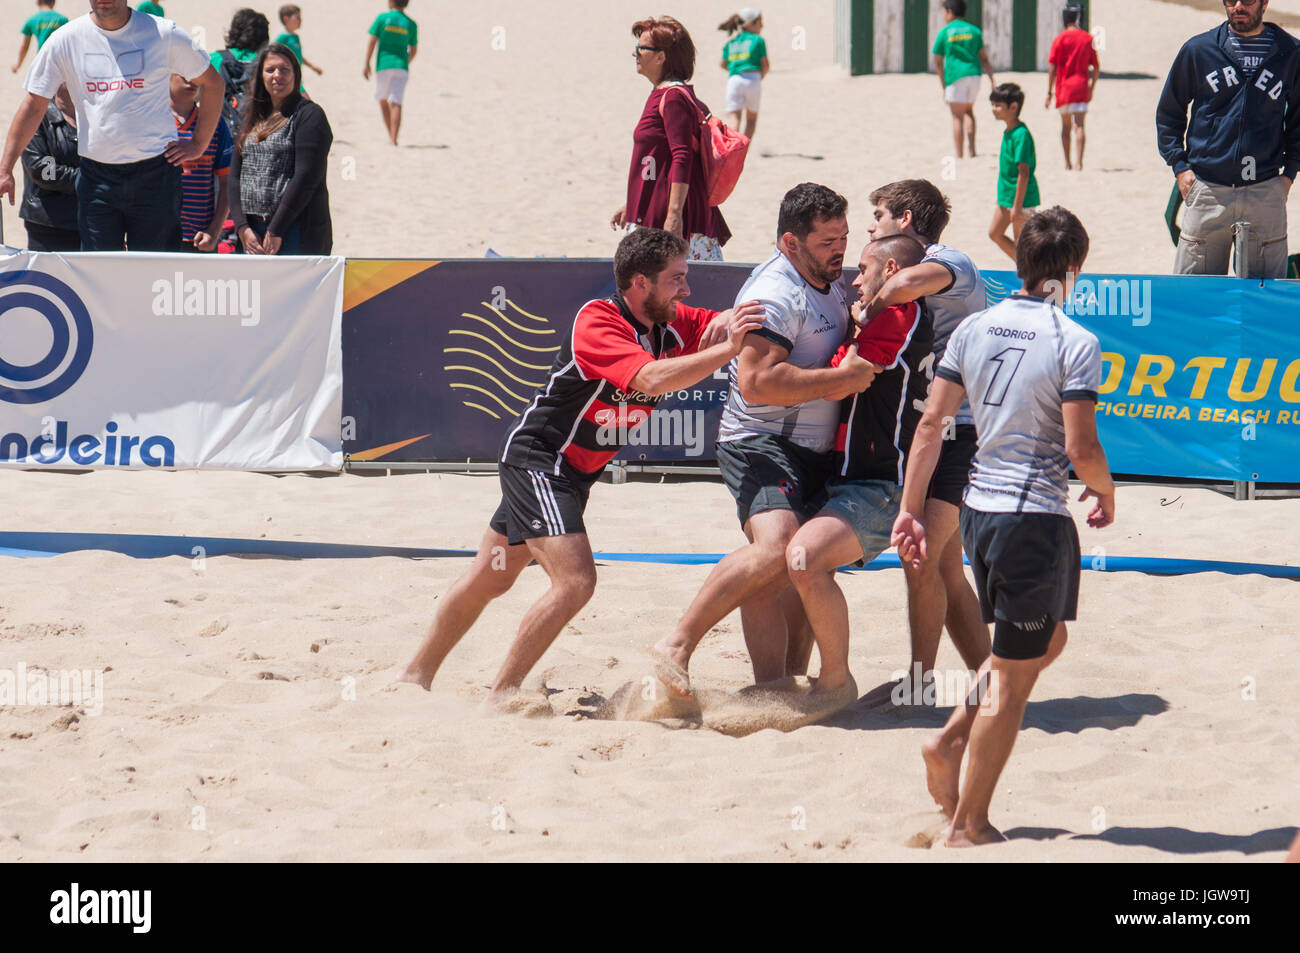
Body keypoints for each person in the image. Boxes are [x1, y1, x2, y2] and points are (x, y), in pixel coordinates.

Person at [397, 229, 766, 708]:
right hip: (541, 459)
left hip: (573, 473)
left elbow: (722, 322)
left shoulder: (669, 321)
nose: (687, 290)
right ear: (640, 283)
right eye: (676, 279)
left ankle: (413, 675)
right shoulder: (598, 320)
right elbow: (650, 379)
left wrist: (760, 315)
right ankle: (503, 692)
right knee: (576, 583)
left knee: (491, 576)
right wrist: (729, 349)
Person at [892, 206, 1116, 847]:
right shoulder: (1074, 341)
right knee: (1014, 683)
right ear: (1071, 271)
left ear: (1019, 263)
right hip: (1032, 519)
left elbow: (930, 427)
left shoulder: (974, 329)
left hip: (981, 513)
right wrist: (1107, 493)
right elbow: (1081, 450)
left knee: (1046, 643)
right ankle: (968, 825)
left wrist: (911, 509)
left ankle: (949, 737)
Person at [650, 183, 881, 694]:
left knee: (802, 569)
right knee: (776, 550)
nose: (839, 250)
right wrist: (842, 381)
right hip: (759, 441)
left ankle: (779, 687)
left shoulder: (826, 278)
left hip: (815, 452)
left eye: (843, 237)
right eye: (826, 241)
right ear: (789, 243)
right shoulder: (776, 294)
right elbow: (757, 385)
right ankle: (678, 644)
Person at [858, 180, 991, 704]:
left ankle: (919, 683)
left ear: (907, 219)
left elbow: (903, 284)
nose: (871, 225)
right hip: (928, 428)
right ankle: (991, 678)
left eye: (879, 214)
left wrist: (868, 306)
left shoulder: (948, 259)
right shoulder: (898, 263)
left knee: (922, 557)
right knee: (943, 566)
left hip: (963, 428)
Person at [784, 234, 932, 701]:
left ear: (891, 273)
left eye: (864, 268)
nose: (854, 279)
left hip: (881, 484)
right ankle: (794, 678)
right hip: (852, 476)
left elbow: (840, 381)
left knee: (804, 559)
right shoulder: (888, 316)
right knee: (788, 564)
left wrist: (849, 339)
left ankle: (835, 682)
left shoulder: (897, 314)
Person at [0, 0, 224, 252]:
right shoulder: (66, 38)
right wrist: (5, 167)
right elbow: (34, 105)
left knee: (156, 272)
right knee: (97, 273)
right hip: (96, 178)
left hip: (156, 175)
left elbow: (213, 83)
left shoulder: (163, 33)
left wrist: (198, 143)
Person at [1156, 0, 1300, 278]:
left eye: (1247, 0)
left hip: (1265, 191)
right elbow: (1169, 111)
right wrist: (1180, 168)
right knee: (1196, 297)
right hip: (1207, 188)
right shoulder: (1199, 50)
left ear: (1265, 3)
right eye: (1231, 0)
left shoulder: (1291, 53)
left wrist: (1289, 174)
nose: (1237, 6)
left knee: (1263, 297)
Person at [612, 16, 731, 262]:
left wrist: (674, 214)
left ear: (661, 56)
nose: (635, 54)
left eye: (641, 48)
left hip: (672, 218)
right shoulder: (663, 93)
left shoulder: (673, 97)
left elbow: (682, 155)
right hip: (657, 209)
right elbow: (657, 160)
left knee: (674, 291)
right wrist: (633, 202)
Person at [229, 44, 333, 255]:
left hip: (294, 229)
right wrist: (242, 227)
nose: (277, 75)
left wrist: (276, 229)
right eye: (270, 70)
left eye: (285, 69)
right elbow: (234, 177)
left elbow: (306, 176)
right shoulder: (253, 117)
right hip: (252, 234)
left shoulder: (309, 116)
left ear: (296, 75)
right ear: (260, 75)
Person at [171, 74, 233, 253]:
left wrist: (214, 231)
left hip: (199, 239)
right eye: (184, 73)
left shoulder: (215, 123)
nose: (192, 79)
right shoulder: (152, 122)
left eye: (196, 74)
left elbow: (227, 182)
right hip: (157, 237)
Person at [19, 83, 78, 252]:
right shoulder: (37, 115)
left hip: (93, 220)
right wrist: (88, 177)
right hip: (48, 224)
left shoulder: (97, 115)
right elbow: (42, 170)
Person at [933, 0, 995, 159]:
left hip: (955, 76)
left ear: (950, 12)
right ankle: (972, 151)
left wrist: (943, 85)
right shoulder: (975, 31)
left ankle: (959, 155)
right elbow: (984, 58)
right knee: (969, 111)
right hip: (974, 75)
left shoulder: (945, 32)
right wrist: (992, 79)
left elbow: (938, 62)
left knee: (957, 116)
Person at [989, 83, 1039, 262]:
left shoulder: (1021, 135)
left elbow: (1024, 173)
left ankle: (1029, 274)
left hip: (1021, 198)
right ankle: (1024, 269)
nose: (994, 109)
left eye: (998, 105)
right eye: (993, 104)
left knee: (1023, 243)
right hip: (1006, 196)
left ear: (1014, 107)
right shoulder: (1009, 131)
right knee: (994, 233)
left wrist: (1017, 207)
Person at [1046, 4, 1099, 171]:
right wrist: (1092, 89)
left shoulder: (1059, 39)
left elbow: (1052, 68)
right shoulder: (1087, 38)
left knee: (1066, 127)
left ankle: (1067, 163)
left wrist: (1049, 92)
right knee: (1080, 126)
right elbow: (1096, 67)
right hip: (1081, 87)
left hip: (1063, 89)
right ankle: (1079, 163)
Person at [211, 9, 271, 140]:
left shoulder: (215, 59)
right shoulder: (272, 62)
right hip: (261, 137)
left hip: (222, 137)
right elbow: (302, 99)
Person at [365, 0, 418, 146]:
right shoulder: (411, 23)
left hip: (384, 64)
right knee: (396, 101)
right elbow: (413, 49)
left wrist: (366, 63)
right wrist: (405, 62)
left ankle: (391, 135)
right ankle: (394, 138)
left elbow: (372, 41)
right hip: (402, 65)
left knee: (383, 99)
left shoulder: (382, 18)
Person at [718, 8, 767, 139]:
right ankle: (744, 153)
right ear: (751, 23)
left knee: (735, 120)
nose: (762, 26)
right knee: (751, 120)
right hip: (753, 79)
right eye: (760, 22)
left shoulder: (731, 42)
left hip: (734, 80)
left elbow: (723, 64)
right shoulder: (758, 40)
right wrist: (761, 75)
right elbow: (765, 65)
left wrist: (735, 70)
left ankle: (734, 152)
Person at [13, 0, 67, 74]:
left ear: (37, 2)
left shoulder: (32, 20)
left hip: (42, 60)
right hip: (60, 61)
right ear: (53, 2)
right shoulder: (62, 19)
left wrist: (18, 65)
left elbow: (25, 46)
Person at [275, 5, 324, 77]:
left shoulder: (296, 37)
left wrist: (313, 67)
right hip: (287, 77)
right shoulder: (282, 38)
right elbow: (273, 54)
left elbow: (298, 56)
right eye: (298, 18)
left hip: (297, 75)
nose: (301, 20)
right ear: (286, 19)